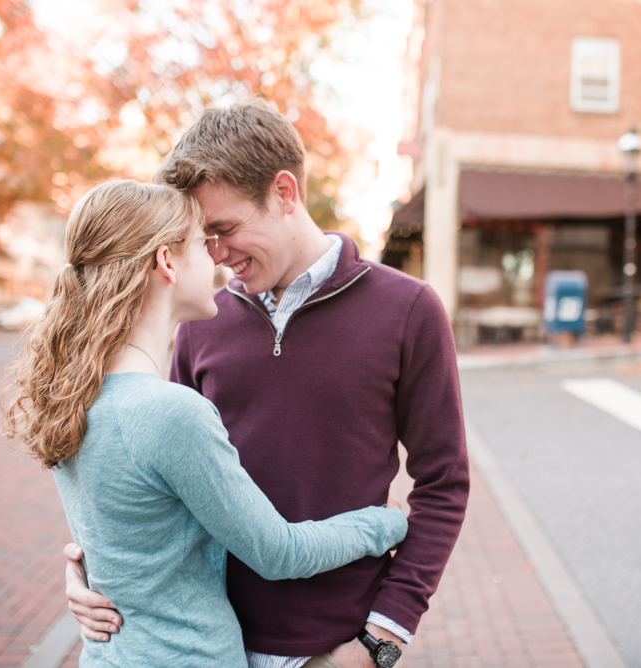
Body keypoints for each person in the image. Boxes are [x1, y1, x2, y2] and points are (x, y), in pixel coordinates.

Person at [65, 100, 470, 668]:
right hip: (209, 645)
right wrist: (83, 568)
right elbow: (153, 483)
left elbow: (444, 483)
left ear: (284, 193)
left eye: (225, 229)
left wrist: (381, 641)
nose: (217, 256)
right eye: (203, 238)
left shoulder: (408, 309)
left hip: (336, 647)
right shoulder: (200, 324)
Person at [3, 179, 408, 668]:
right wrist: (386, 522)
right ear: (166, 262)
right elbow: (278, 552)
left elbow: (122, 537)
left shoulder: (74, 395)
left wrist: (80, 572)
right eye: (201, 241)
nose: (216, 257)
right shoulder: (171, 412)